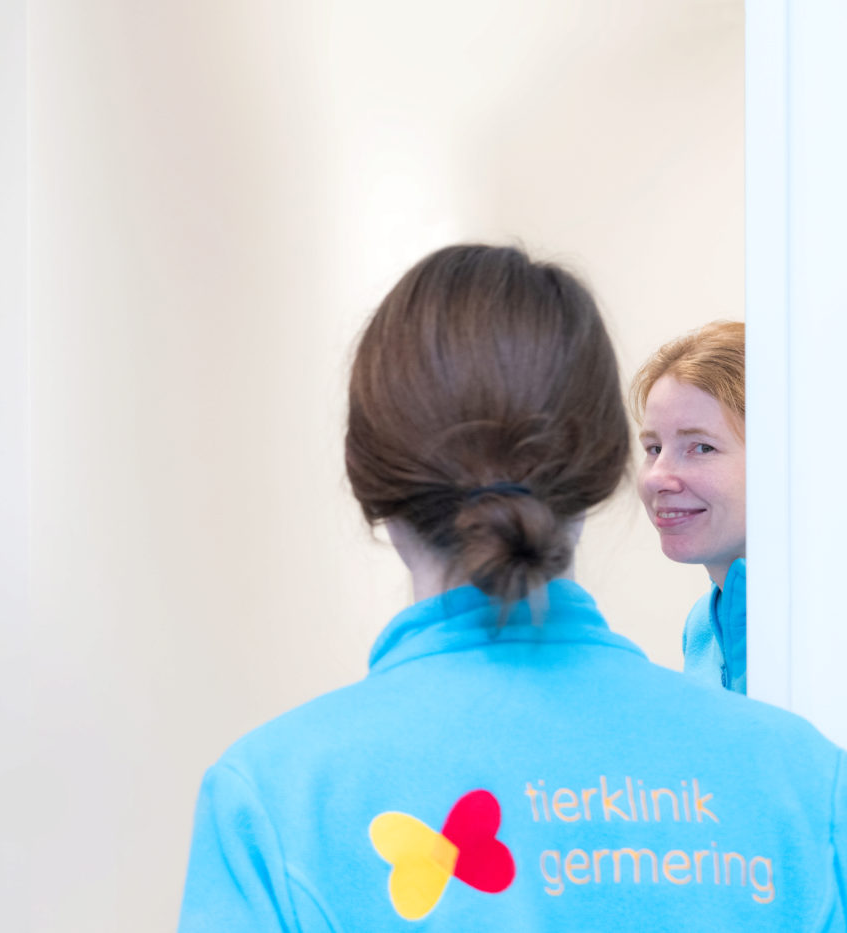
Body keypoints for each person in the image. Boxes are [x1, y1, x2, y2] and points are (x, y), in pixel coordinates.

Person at [177, 246, 847, 931]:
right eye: (655, 447)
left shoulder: (276, 803)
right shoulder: (807, 782)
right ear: (605, 465)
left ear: (365, 474)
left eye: (700, 446)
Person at [631, 322, 746, 692]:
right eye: (653, 448)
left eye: (701, 447)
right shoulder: (702, 626)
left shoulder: (823, 628)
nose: (657, 478)